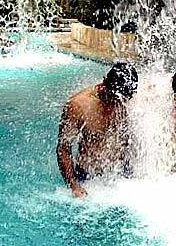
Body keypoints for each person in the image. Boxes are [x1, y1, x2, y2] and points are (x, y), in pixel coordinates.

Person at [56, 62, 138, 198]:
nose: (117, 104)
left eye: (123, 101)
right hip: (89, 178)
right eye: (114, 99)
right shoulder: (78, 105)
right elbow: (63, 148)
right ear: (105, 84)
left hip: (123, 174)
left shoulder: (127, 100)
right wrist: (74, 186)